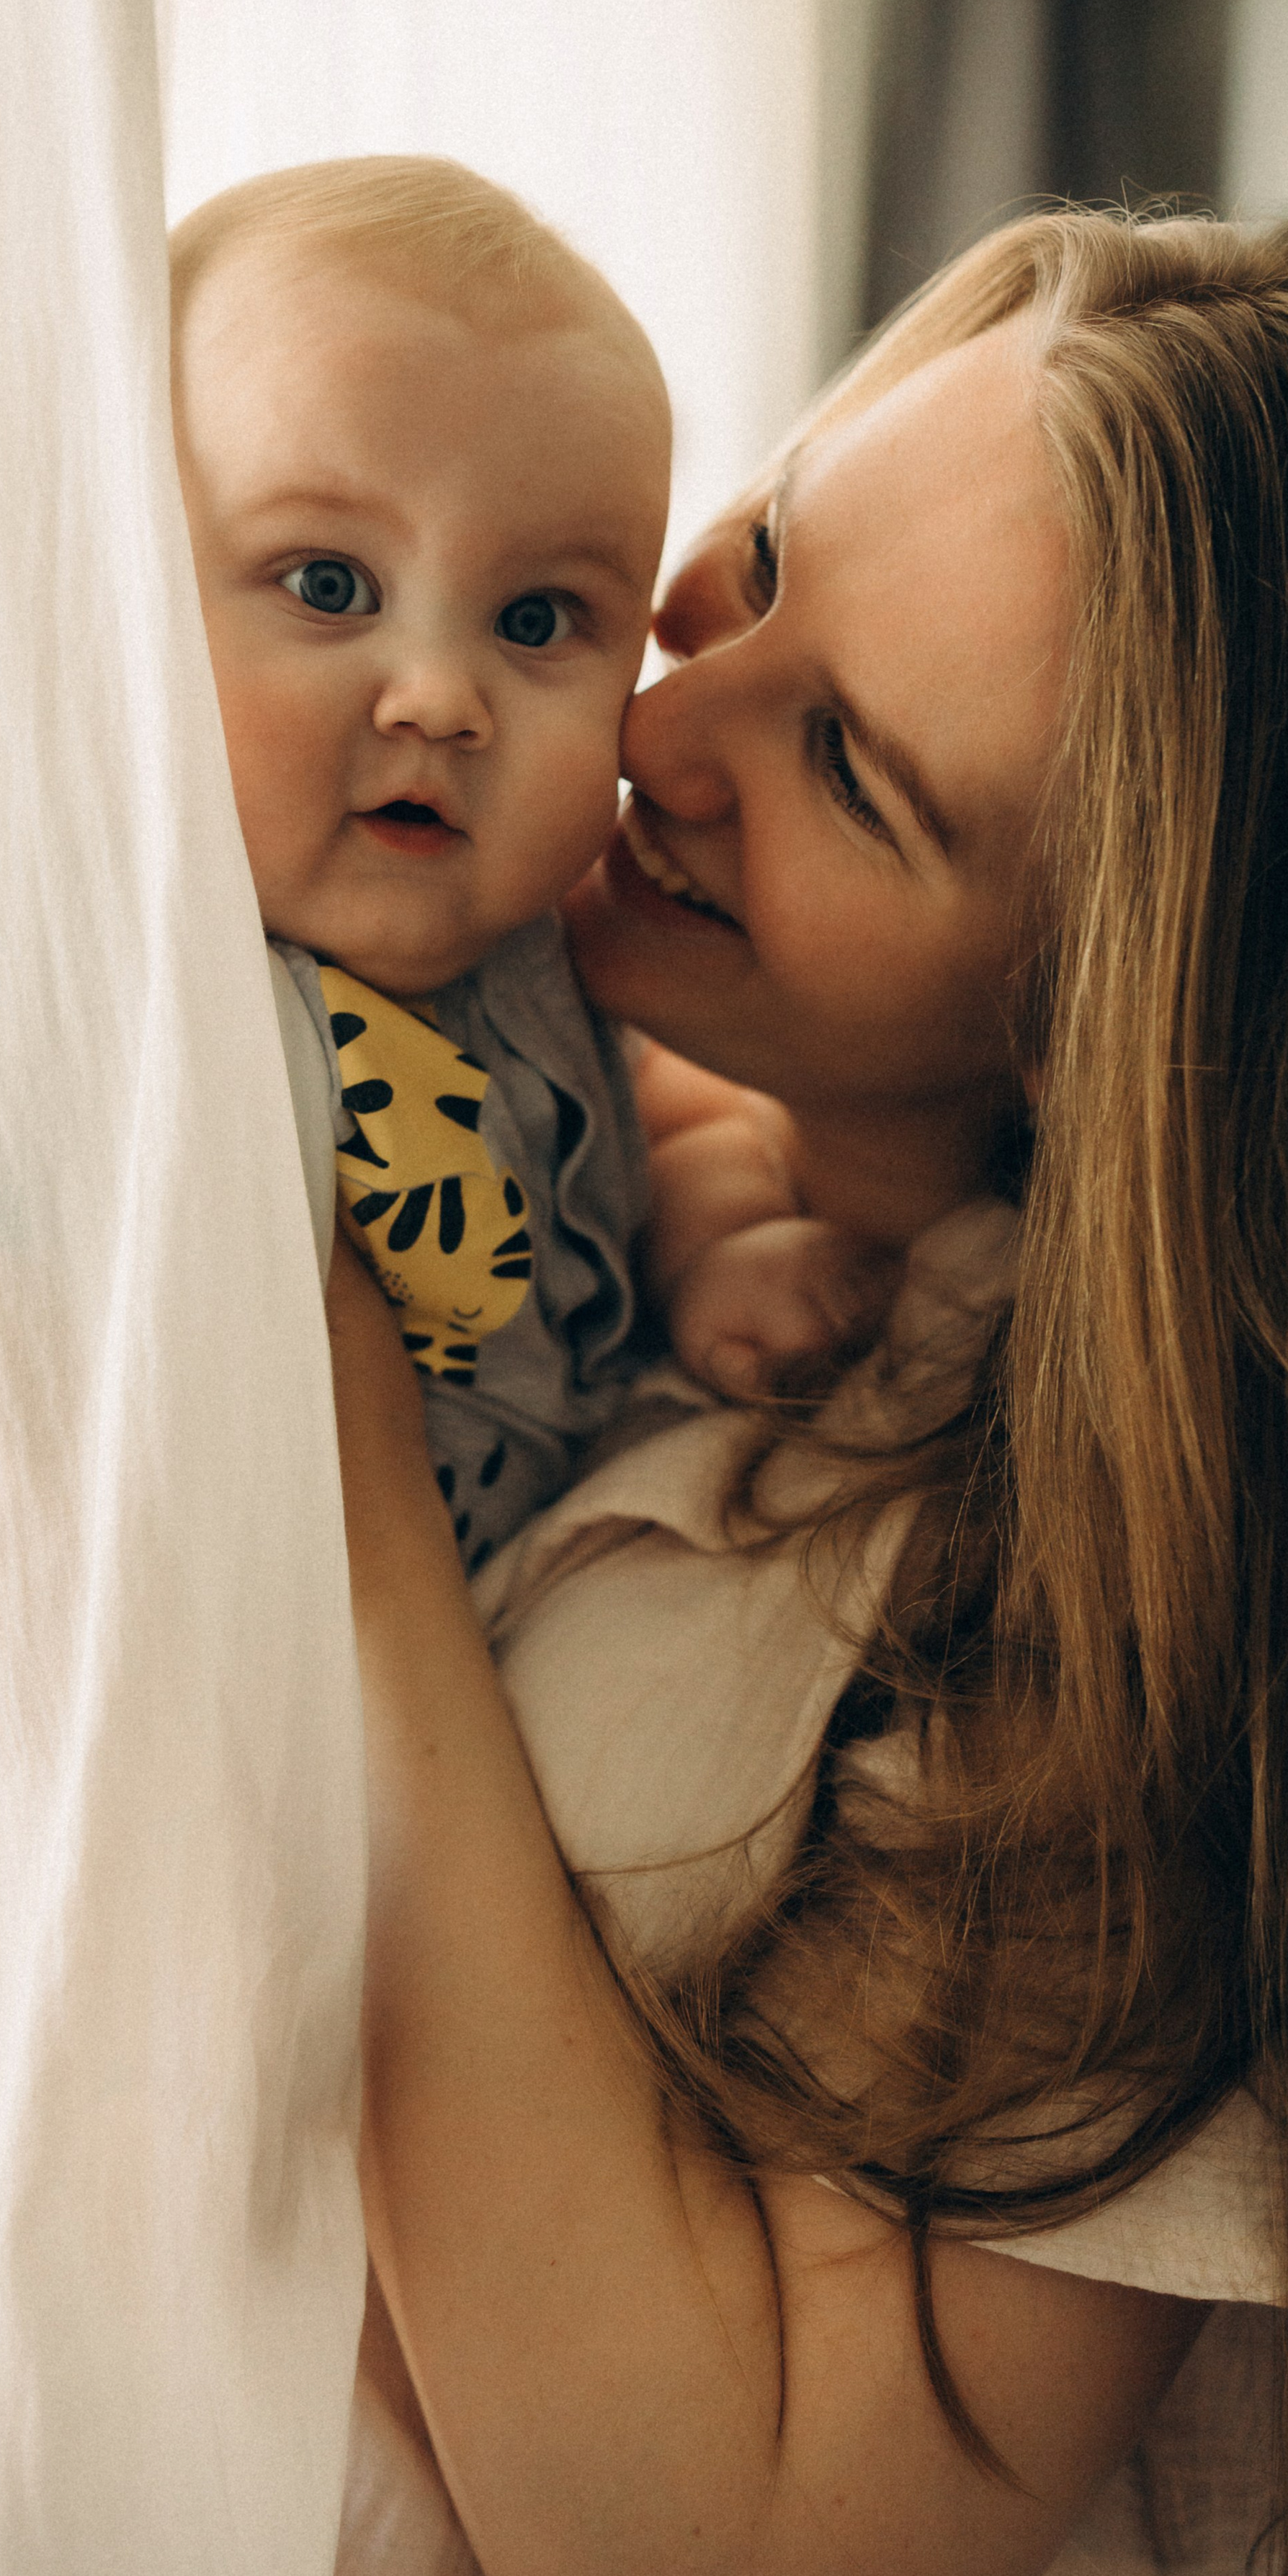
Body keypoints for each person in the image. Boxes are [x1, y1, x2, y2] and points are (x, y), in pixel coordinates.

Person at [323, 208, 1288, 2576]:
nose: (656, 727)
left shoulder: (1131, 1646)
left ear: (1112, 1036)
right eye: (771, 555)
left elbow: (731, 2547)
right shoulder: (542, 1095)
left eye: (851, 773)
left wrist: (348, 1502)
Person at [171, 157, 892, 1564]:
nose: (441, 698)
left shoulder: (553, 940)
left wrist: (720, 1243)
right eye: (330, 586)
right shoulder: (128, 999)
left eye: (537, 619)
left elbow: (667, 1121)